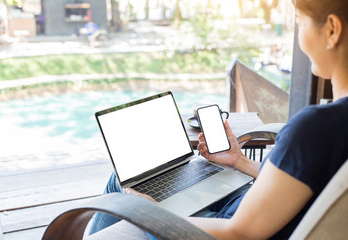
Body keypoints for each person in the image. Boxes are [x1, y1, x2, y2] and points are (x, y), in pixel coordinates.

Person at [89, 0, 348, 239]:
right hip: (256, 210)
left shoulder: (315, 128)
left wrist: (153, 214)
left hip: (224, 229)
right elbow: (301, 182)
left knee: (121, 182)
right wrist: (240, 161)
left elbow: (240, 232)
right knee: (175, 181)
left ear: (332, 30)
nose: (299, 33)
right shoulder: (334, 125)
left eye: (300, 20)